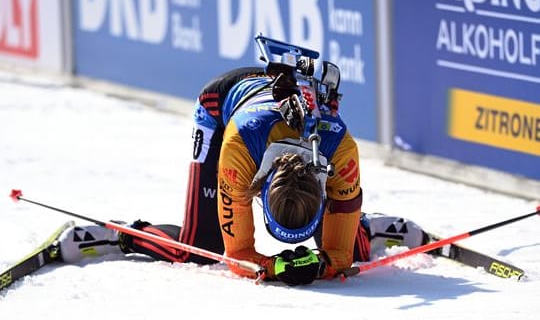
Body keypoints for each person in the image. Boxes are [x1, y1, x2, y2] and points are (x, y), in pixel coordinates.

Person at [56, 38, 429, 285]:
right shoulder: (239, 153)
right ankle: (120, 233)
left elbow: (339, 257)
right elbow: (237, 256)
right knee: (198, 247)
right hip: (224, 109)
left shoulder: (341, 152)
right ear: (260, 188)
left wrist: (323, 262)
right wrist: (274, 268)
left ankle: (372, 227)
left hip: (301, 126)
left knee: (352, 252)